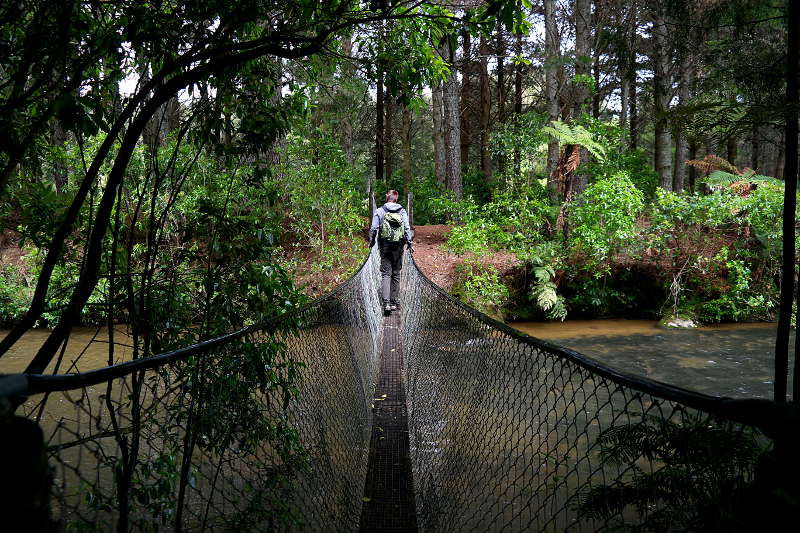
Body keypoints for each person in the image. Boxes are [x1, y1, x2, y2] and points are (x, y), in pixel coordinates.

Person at [369, 190, 413, 315]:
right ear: (396, 199)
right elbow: (407, 228)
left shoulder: (379, 211)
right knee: (396, 274)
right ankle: (394, 303)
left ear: (387, 197)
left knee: (386, 274)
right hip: (398, 247)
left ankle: (386, 304)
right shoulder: (402, 211)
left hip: (384, 247)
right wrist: (409, 242)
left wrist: (372, 242)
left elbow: (374, 228)